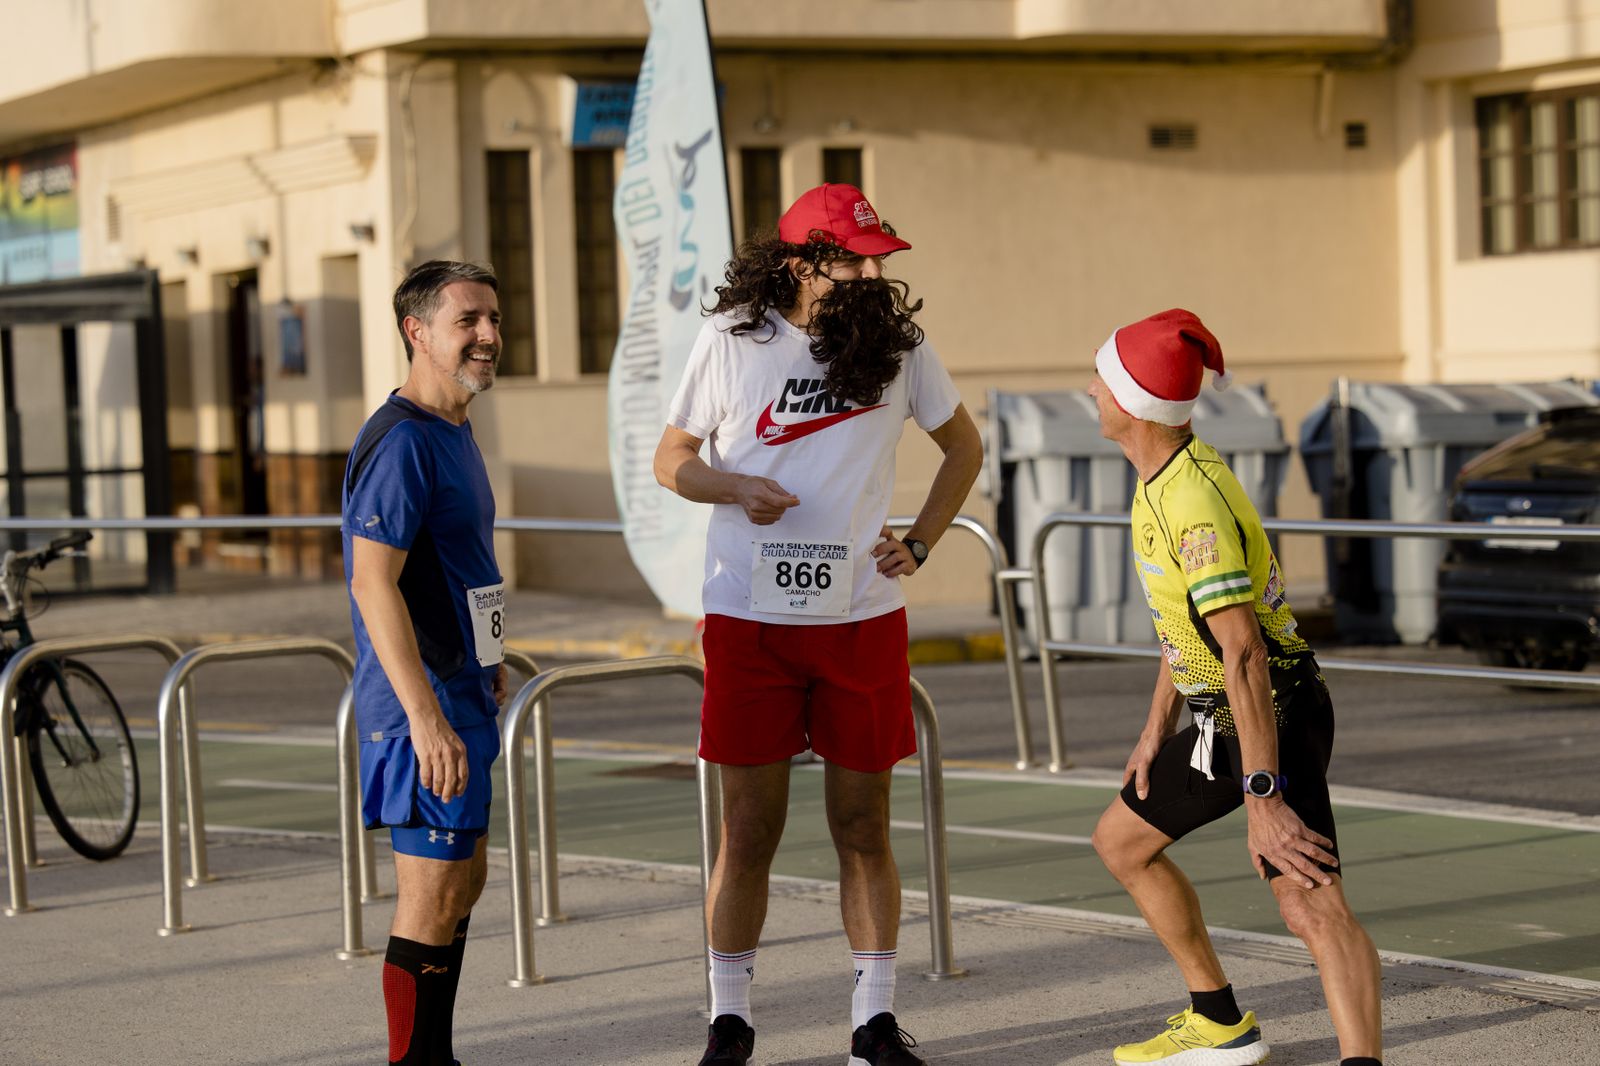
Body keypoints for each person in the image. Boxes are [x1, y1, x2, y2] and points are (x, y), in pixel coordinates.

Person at [654, 183, 983, 1066]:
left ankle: (872, 1022)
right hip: (749, 615)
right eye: (851, 259)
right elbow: (672, 460)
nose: (871, 272)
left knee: (862, 827)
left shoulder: (899, 345)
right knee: (749, 831)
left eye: (878, 258)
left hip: (860, 618)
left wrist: (918, 539)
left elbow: (964, 447)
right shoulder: (732, 340)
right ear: (798, 262)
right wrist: (736, 488)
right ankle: (731, 1021)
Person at [1083, 309, 1384, 1066]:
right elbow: (1185, 626)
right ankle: (1218, 1021)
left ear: (1134, 403)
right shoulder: (1161, 476)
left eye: (1104, 378)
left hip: (1272, 712)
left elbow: (1244, 651)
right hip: (1228, 715)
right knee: (1123, 843)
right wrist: (1158, 725)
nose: (1091, 388)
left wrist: (1263, 795)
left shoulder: (1190, 505)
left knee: (1310, 903)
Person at [343, 260, 510, 1066]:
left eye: (492, 319)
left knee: (463, 882)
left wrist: (493, 654)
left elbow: (451, 563)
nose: (488, 335)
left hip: (465, 687)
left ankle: (434, 1055)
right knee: (431, 893)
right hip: (422, 708)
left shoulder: (455, 424)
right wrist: (424, 717)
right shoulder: (403, 440)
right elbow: (372, 582)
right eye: (467, 320)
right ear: (419, 332)